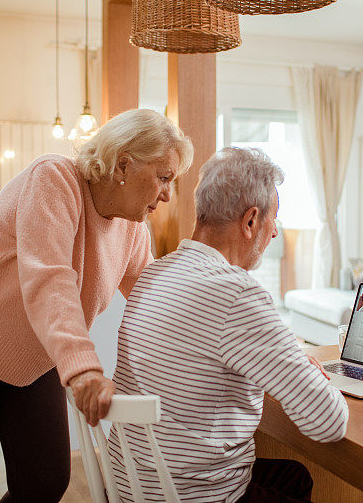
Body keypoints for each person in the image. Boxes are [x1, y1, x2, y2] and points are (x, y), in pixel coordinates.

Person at [0, 109, 193, 502]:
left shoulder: (133, 230)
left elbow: (157, 302)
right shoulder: (55, 178)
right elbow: (50, 280)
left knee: (44, 481)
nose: (167, 194)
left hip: (27, 354)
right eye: (164, 177)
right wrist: (84, 369)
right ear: (124, 163)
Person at [110, 147, 349, 502]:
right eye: (274, 220)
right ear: (251, 221)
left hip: (131, 484)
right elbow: (328, 422)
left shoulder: (154, 273)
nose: (274, 234)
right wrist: (303, 369)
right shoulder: (236, 294)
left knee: (294, 476)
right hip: (194, 495)